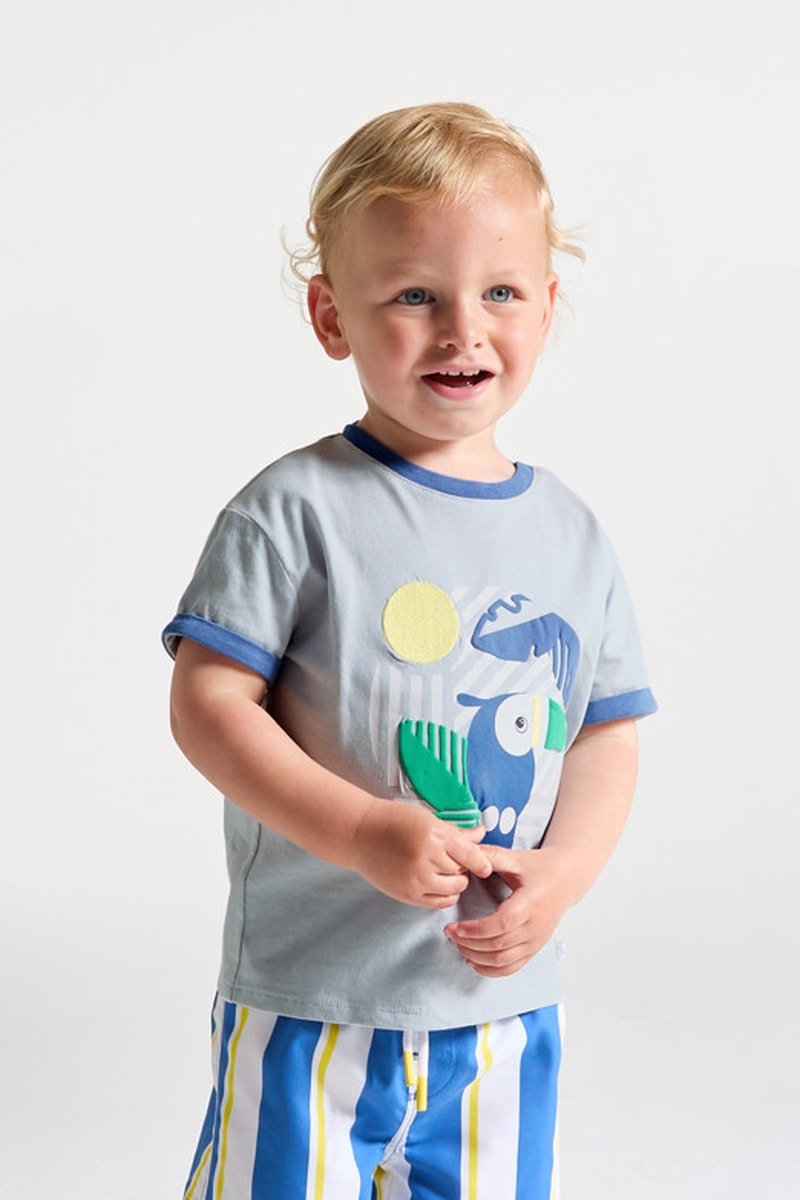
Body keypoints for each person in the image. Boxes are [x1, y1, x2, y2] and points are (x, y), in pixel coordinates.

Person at [163, 101, 657, 1200]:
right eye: (414, 296)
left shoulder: (571, 534)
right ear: (331, 315)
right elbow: (208, 704)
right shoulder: (294, 509)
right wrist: (358, 831)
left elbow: (604, 733)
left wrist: (564, 875)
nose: (461, 330)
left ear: (547, 307)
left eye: (499, 292)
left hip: (500, 1014)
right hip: (312, 1003)